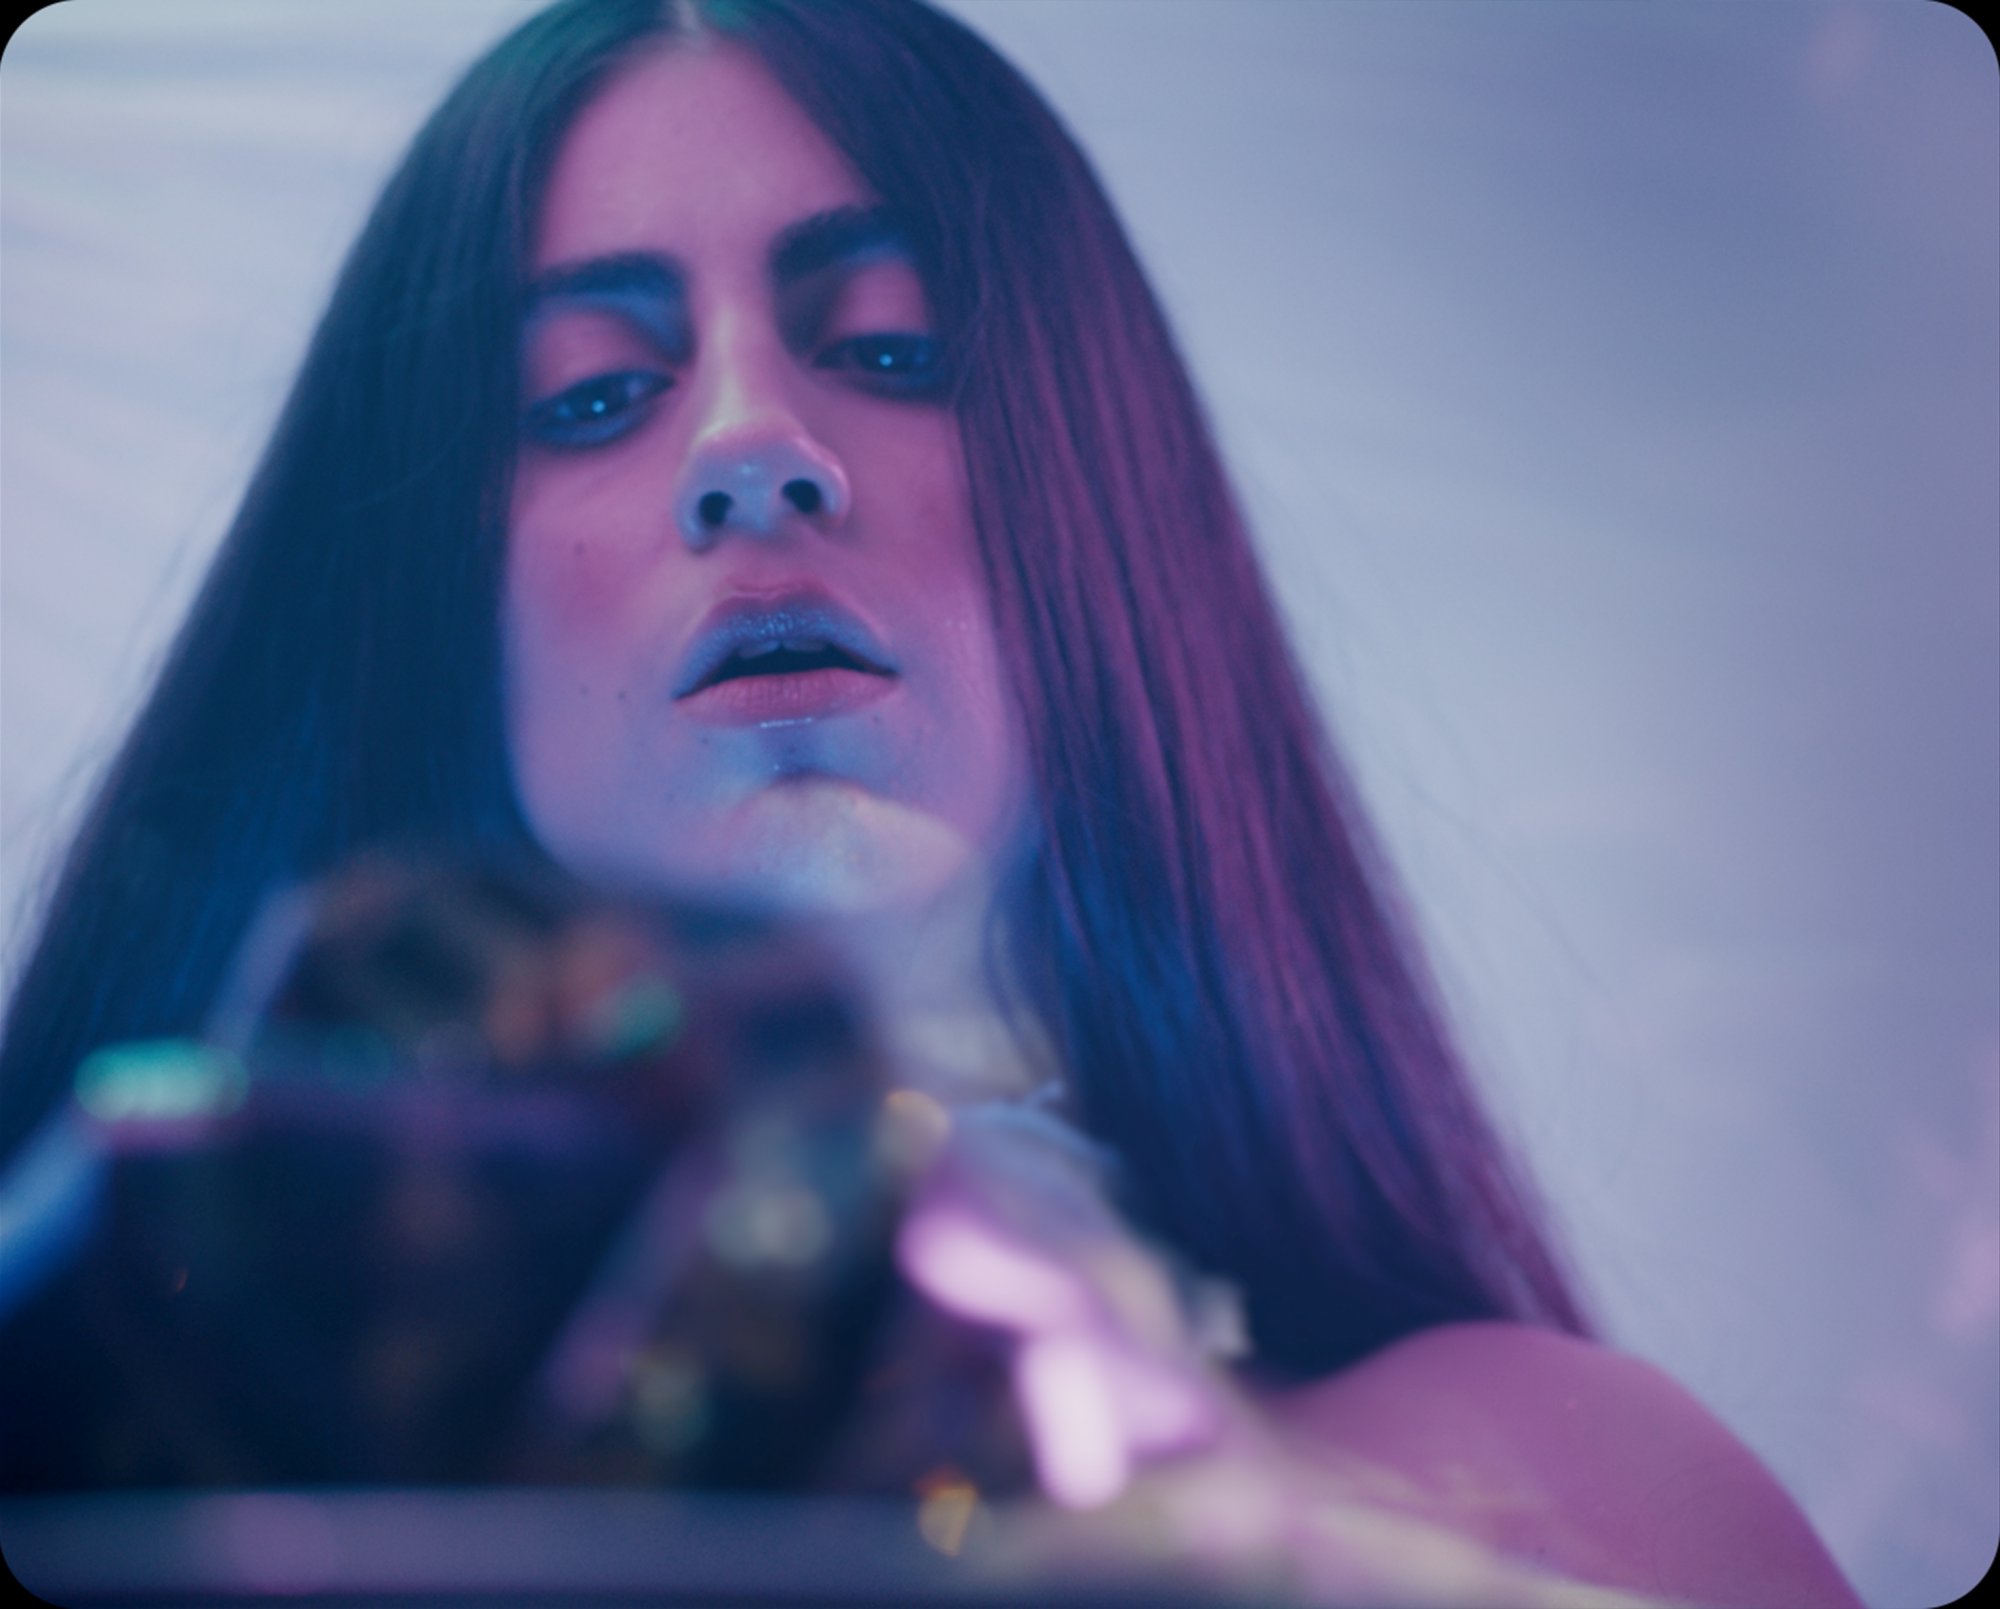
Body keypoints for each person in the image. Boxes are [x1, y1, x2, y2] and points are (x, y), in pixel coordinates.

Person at [0, 1, 1863, 1603]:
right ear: (412, 610)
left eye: (895, 347)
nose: (752, 447)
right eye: (589, 396)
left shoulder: (1586, 1493)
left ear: (1104, 523)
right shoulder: (124, 1401)